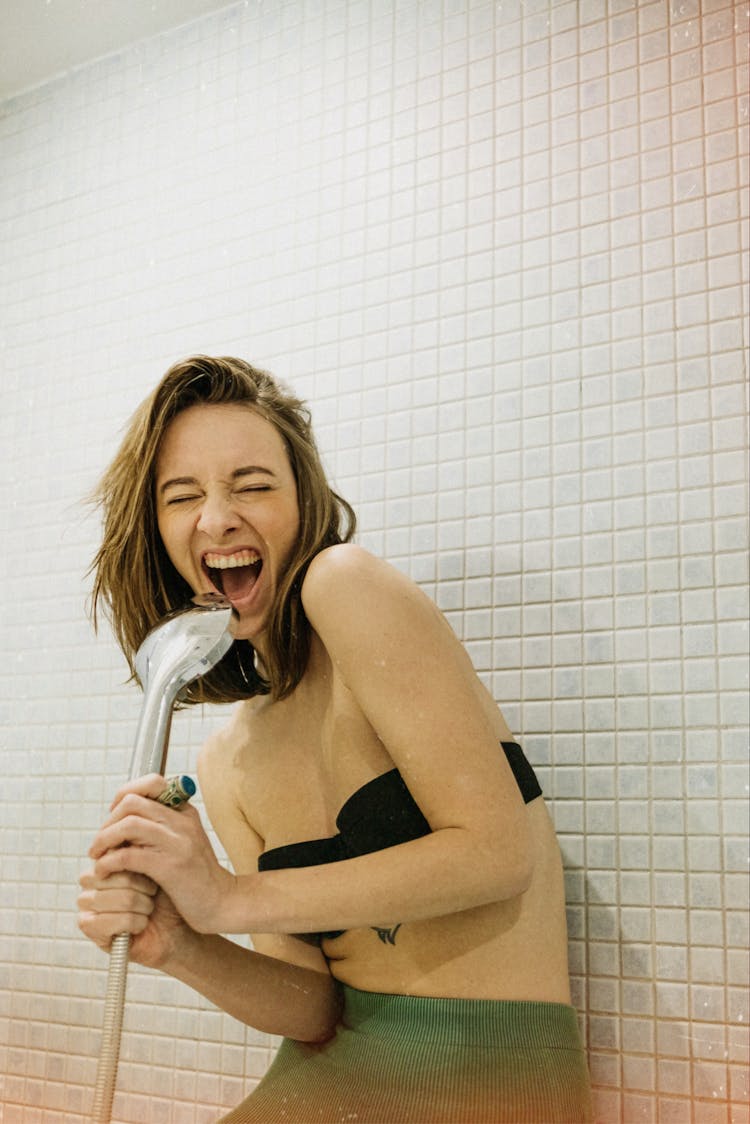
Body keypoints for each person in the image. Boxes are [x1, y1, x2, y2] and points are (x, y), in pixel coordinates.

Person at [78, 355, 592, 1123]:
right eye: (182, 497)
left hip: (487, 1079)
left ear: (304, 503)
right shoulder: (229, 760)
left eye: (252, 485)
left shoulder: (345, 583)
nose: (216, 518)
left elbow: (497, 852)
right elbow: (314, 1010)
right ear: (158, 535)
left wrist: (230, 896)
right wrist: (182, 943)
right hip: (326, 1081)